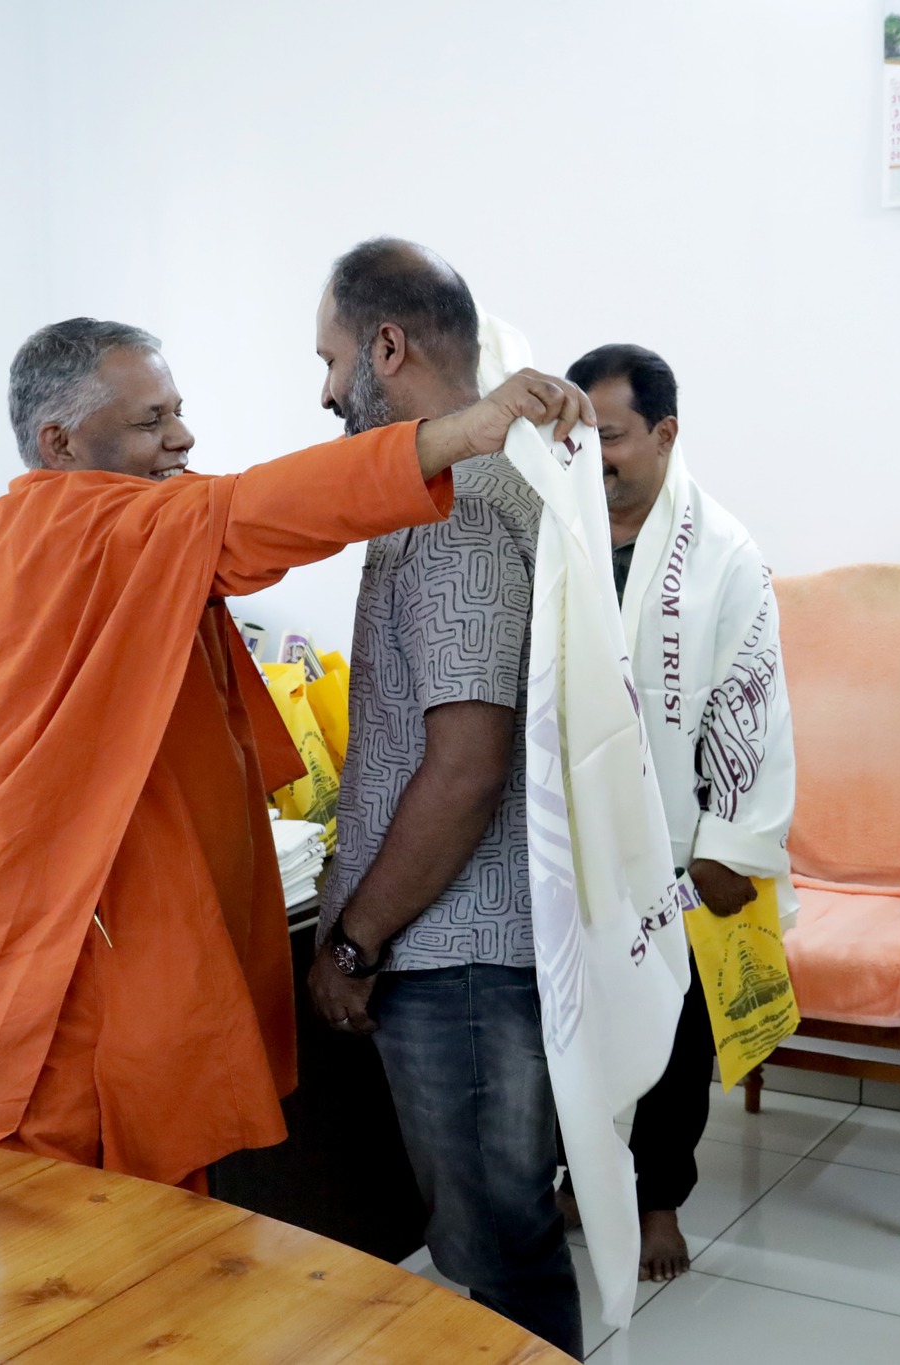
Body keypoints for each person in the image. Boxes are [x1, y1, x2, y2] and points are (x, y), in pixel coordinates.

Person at [0, 315, 592, 1196]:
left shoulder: (128, 529)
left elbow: (251, 508)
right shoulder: (61, 525)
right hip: (52, 961)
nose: (182, 436)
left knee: (154, 1231)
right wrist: (462, 432)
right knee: (55, 1237)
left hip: (119, 943)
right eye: (153, 420)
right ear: (60, 443)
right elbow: (253, 511)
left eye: (176, 410)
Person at [302, 239, 578, 1355]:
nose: (325, 391)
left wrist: (354, 939)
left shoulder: (453, 507)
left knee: (499, 1249)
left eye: (329, 360)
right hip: (478, 943)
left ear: (386, 346)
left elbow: (465, 766)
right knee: (500, 1237)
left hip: (458, 955)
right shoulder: (497, 478)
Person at [563, 343, 796, 1282]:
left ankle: (658, 1196)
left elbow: (753, 701)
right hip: (573, 832)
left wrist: (731, 844)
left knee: (677, 1025)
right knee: (569, 1016)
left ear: (664, 433)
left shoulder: (724, 553)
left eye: (612, 436)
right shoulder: (558, 530)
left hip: (681, 838)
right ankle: (577, 1176)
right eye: (579, 437)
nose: (593, 457)